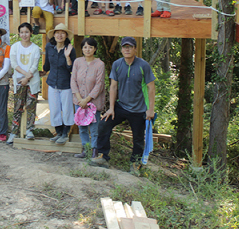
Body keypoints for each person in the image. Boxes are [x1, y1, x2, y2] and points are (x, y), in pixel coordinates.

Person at [90, 37, 156, 176]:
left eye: (130, 47)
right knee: (104, 124)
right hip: (121, 106)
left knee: (138, 137)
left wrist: (150, 109)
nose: (127, 49)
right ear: (121, 49)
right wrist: (111, 108)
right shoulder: (117, 64)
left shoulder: (143, 65)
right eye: (124, 47)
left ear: (135, 49)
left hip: (139, 109)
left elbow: (151, 88)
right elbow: (113, 87)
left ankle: (135, 163)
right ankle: (103, 157)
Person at [70, 37, 105, 158]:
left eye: (90, 47)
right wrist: (80, 99)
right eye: (85, 47)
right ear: (82, 49)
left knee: (94, 129)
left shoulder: (100, 64)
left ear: (95, 49)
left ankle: (94, 151)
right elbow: (73, 81)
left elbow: (99, 84)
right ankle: (86, 150)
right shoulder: (77, 62)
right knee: (82, 127)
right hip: (79, 101)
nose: (88, 49)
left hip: (93, 102)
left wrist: (87, 99)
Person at [42, 23, 76, 145]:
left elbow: (72, 68)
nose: (59, 35)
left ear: (66, 35)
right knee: (54, 109)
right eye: (57, 32)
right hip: (52, 83)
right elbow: (47, 64)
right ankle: (59, 133)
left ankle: (65, 134)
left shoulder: (70, 49)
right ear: (54, 35)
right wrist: (43, 71)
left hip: (66, 83)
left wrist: (67, 57)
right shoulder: (49, 47)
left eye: (62, 33)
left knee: (67, 110)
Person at [8, 23, 42, 144]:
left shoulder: (35, 48)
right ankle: (14, 132)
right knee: (18, 107)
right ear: (19, 33)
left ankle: (29, 130)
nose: (24, 35)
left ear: (31, 33)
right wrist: (24, 76)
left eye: (26, 32)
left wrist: (27, 78)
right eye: (22, 32)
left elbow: (34, 65)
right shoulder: (15, 47)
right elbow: (13, 64)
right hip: (19, 80)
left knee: (31, 106)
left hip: (32, 82)